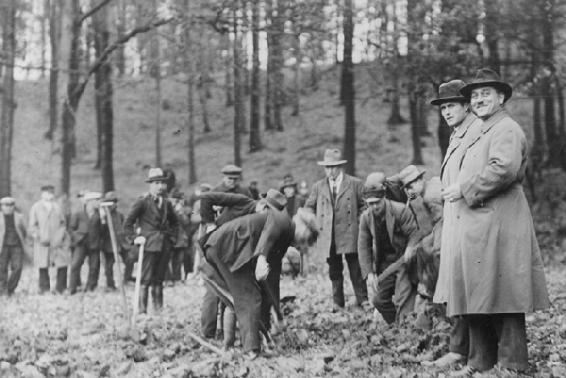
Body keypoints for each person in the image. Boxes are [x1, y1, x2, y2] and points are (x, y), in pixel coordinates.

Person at [441, 68, 550, 375]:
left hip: (503, 223)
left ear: (501, 96)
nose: (479, 100)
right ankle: (480, 361)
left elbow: (503, 168)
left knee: (506, 295)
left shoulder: (506, 128)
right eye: (475, 95)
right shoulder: (483, 130)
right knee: (480, 294)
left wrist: (464, 188)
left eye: (486, 94)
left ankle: (513, 364)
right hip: (481, 224)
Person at [201, 189, 318, 358]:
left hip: (228, 249)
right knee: (249, 296)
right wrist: (262, 257)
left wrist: (278, 313)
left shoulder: (285, 238)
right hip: (228, 247)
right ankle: (251, 351)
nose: (301, 246)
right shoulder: (283, 221)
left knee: (240, 299)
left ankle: (235, 345)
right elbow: (270, 232)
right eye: (305, 240)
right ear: (303, 227)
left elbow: (273, 277)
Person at [425, 79, 482, 367]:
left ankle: (471, 352)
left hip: (471, 217)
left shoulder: (476, 131)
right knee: (455, 284)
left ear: (466, 105)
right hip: (455, 217)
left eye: (452, 106)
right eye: (443, 107)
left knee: (468, 286)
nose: (446, 112)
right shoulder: (457, 134)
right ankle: (459, 348)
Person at [304, 148, 367, 310]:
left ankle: (363, 300)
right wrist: (314, 223)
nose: (330, 171)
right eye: (327, 167)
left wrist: (358, 222)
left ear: (341, 167)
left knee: (356, 268)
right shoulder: (318, 187)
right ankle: (338, 302)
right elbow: (309, 207)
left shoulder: (354, 184)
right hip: (328, 236)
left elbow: (364, 206)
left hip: (350, 234)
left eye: (333, 167)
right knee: (334, 270)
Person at [357, 173, 421, 324]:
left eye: (377, 203)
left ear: (384, 198)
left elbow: (414, 233)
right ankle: (396, 326)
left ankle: (406, 331)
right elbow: (363, 246)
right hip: (386, 264)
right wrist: (369, 273)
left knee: (403, 300)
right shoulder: (366, 218)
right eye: (370, 204)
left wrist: (410, 248)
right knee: (379, 301)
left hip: (405, 262)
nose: (374, 207)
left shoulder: (400, 211)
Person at [201, 165, 252, 339]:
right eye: (229, 179)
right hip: (216, 242)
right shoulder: (215, 192)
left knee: (231, 287)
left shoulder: (244, 192)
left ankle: (225, 330)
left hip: (237, 243)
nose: (231, 182)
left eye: (234, 179)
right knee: (214, 290)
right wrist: (210, 221)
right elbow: (202, 210)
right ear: (223, 178)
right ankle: (208, 331)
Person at [123, 168, 179, 313]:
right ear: (150, 185)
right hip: (147, 246)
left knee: (159, 279)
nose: (160, 186)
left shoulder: (167, 203)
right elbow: (127, 224)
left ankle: (158, 311)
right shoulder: (142, 202)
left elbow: (175, 223)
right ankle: (142, 311)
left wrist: (171, 239)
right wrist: (135, 238)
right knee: (145, 279)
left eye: (162, 183)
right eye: (156, 183)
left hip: (164, 246)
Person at [396, 165, 443, 329]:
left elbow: (442, 225)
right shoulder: (434, 183)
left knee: (425, 251)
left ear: (420, 180)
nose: (409, 191)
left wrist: (425, 245)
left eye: (411, 185)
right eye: (406, 188)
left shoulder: (430, 196)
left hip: (450, 240)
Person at [29, 185, 71, 294]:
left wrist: (60, 237)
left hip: (58, 242)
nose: (49, 194)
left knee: (62, 264)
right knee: (43, 265)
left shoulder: (57, 207)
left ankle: (60, 288)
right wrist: (39, 237)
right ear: (42, 194)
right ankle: (44, 288)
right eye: (47, 192)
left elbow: (63, 223)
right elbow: (32, 226)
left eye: (51, 192)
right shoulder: (36, 207)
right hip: (42, 242)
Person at [69, 192, 103, 294]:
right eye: (96, 201)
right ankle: (72, 288)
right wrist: (77, 238)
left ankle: (90, 287)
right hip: (81, 244)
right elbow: (71, 228)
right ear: (90, 202)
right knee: (75, 265)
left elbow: (103, 231)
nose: (98, 203)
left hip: (94, 244)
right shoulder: (79, 214)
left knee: (94, 267)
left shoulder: (100, 215)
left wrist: (104, 219)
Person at [99, 191, 131, 289]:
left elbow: (124, 226)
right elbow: (101, 231)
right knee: (109, 265)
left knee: (129, 260)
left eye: (114, 201)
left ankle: (127, 279)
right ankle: (110, 285)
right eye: (111, 202)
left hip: (122, 243)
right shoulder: (103, 216)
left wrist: (126, 237)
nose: (113, 204)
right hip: (109, 244)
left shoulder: (120, 215)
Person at [0, 197, 27, 296]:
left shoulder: (19, 217)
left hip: (16, 246)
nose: (8, 208)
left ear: (13, 206)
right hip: (2, 246)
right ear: (2, 207)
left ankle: (10, 289)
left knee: (18, 267)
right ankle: (2, 291)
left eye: (11, 205)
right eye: (6, 205)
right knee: (1, 269)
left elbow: (24, 231)